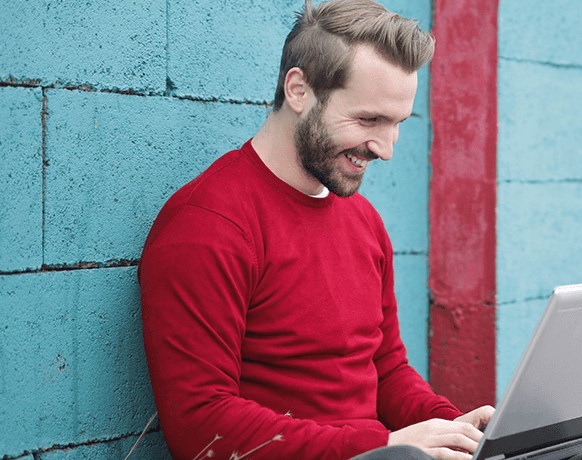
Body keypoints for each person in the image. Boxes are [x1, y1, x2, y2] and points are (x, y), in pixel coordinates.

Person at [138, 1, 490, 458]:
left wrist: (449, 426)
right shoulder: (208, 227)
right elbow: (200, 427)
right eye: (368, 120)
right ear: (299, 90)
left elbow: (385, 368)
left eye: (397, 124)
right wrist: (383, 445)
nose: (385, 150)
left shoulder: (364, 221)